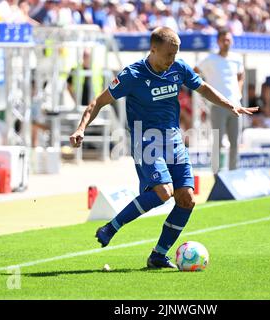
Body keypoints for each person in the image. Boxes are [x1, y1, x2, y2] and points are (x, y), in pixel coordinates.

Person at [70, 27, 258, 269]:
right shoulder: (133, 74)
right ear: (153, 49)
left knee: (187, 199)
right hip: (145, 140)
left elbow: (202, 88)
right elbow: (99, 101)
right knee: (163, 191)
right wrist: (81, 128)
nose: (172, 59)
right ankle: (111, 227)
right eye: (169, 54)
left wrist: (230, 104)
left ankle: (158, 255)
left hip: (174, 140)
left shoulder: (179, 68)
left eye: (176, 54)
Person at [194, 28, 244, 172]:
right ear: (218, 42)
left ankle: (233, 172)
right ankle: (217, 174)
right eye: (223, 39)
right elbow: (194, 71)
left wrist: (239, 92)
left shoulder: (236, 58)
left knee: (235, 142)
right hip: (217, 106)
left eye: (228, 39)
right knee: (218, 142)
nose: (226, 42)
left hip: (235, 104)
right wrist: (203, 90)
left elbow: (241, 76)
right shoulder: (210, 59)